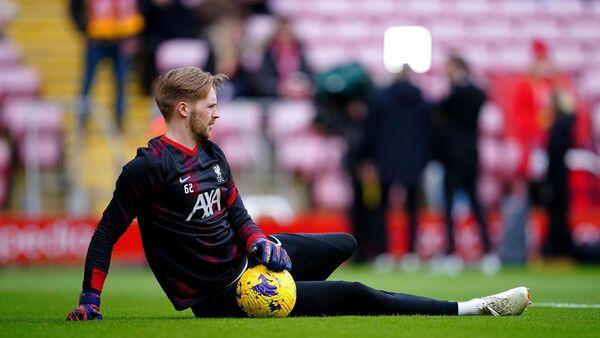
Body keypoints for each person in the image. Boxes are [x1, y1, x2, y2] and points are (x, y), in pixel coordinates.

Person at [66, 67, 531, 320]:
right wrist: (91, 299)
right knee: (354, 293)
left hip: (246, 260)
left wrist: (258, 242)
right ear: (184, 108)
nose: (217, 114)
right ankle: (473, 309)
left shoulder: (212, 153)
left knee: (345, 245)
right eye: (210, 106)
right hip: (222, 294)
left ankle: (300, 302)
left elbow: (239, 215)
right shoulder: (147, 168)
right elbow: (106, 233)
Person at [365, 66, 432, 270]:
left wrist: (370, 159)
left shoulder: (381, 99)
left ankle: (384, 252)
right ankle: (411, 252)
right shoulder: (421, 100)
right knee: (412, 208)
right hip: (413, 160)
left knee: (382, 207)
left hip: (386, 159)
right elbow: (428, 132)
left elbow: (372, 133)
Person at [436, 55, 496, 272]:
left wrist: (455, 88)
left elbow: (448, 107)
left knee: (471, 204)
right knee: (454, 205)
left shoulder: (462, 92)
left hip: (461, 156)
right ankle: (454, 251)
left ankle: (485, 251)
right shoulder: (463, 91)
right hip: (460, 156)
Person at [70, 0, 144, 130]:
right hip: (97, 39)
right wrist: (85, 27)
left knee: (121, 81)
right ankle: (81, 120)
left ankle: (119, 121)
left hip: (121, 38)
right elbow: (76, 7)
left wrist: (133, 34)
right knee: (88, 81)